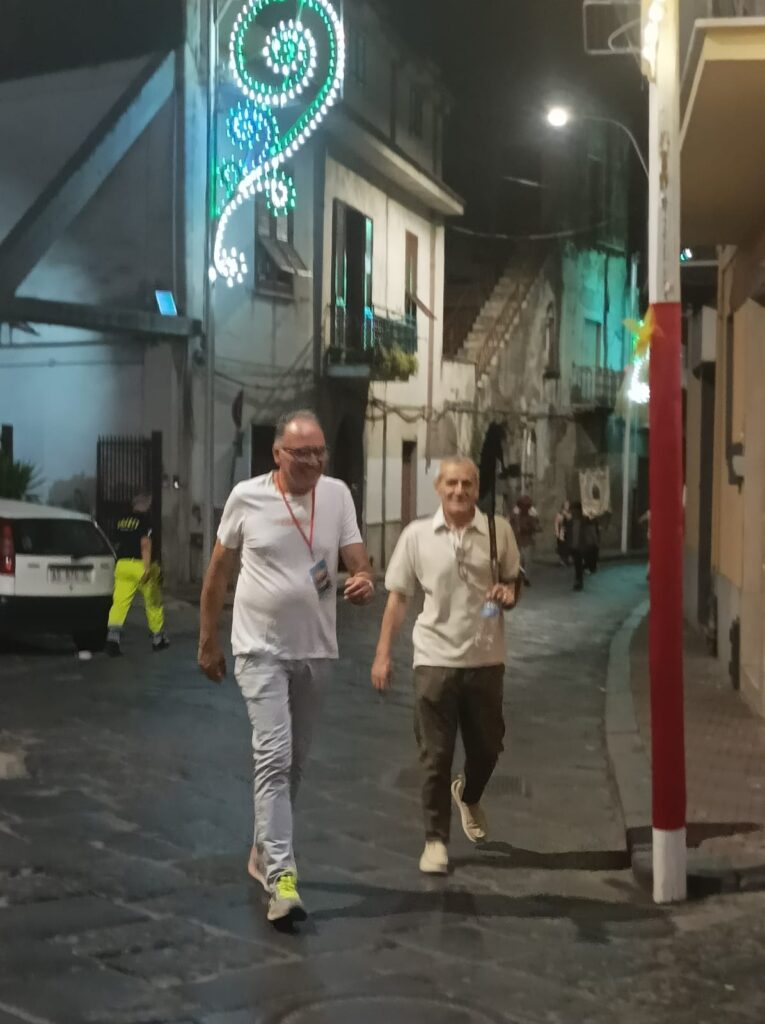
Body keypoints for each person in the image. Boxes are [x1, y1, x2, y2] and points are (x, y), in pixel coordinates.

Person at [198, 410, 374, 926]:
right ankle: (282, 878)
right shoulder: (246, 497)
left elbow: (358, 561)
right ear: (277, 454)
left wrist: (364, 580)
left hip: (317, 648)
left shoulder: (337, 494)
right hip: (259, 649)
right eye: (302, 454)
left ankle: (261, 850)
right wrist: (209, 641)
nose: (314, 462)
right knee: (273, 757)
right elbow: (218, 572)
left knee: (294, 763)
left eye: (320, 452)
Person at [371, 457, 520, 875]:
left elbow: (513, 581)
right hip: (433, 660)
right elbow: (398, 597)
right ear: (437, 487)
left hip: (486, 659)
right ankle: (435, 840)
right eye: (452, 483)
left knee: (488, 748)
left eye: (468, 484)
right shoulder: (417, 535)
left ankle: (469, 794)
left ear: (477, 488)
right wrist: (383, 653)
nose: (459, 491)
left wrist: (509, 594)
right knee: (435, 757)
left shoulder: (498, 530)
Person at [106, 493, 168, 657]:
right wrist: (147, 568)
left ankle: (113, 639)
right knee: (153, 602)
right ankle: (157, 639)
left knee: (119, 603)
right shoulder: (145, 521)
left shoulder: (120, 521)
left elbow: (114, 543)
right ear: (145, 505)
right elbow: (145, 544)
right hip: (140, 565)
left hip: (122, 565)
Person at [566, 502, 600, 592]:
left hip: (581, 546)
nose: (571, 511)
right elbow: (568, 534)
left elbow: (593, 531)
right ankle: (579, 581)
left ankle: (580, 580)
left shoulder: (585, 520)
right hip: (578, 547)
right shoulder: (572, 520)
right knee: (578, 565)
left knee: (580, 565)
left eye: (572, 509)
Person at [510, 494, 541, 586]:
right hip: (519, 540)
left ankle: (525, 578)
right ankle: (521, 577)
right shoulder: (516, 515)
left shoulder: (530, 516)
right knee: (520, 561)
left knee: (526, 561)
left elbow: (537, 527)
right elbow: (510, 523)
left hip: (526, 540)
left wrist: (535, 517)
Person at [554, 500, 572, 567]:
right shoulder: (559, 514)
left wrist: (565, 514)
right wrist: (557, 532)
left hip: (569, 532)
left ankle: (566, 560)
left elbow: (569, 518)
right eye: (566, 505)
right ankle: (562, 560)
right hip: (562, 532)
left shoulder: (569, 513)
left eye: (568, 505)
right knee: (562, 546)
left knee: (568, 546)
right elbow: (556, 523)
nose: (567, 506)